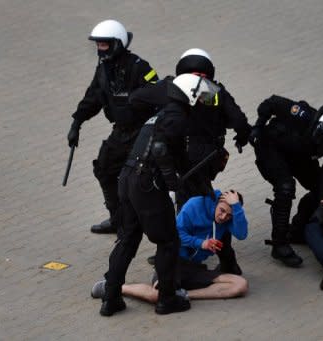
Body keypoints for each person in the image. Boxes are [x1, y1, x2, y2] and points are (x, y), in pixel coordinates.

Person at [98, 73, 220, 316]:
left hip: (129, 179)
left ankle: (111, 298)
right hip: (147, 185)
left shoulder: (160, 115)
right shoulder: (176, 116)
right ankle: (167, 299)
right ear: (190, 95)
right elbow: (161, 149)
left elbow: (180, 159)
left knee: (128, 239)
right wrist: (169, 179)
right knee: (168, 241)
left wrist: (202, 186)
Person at [130, 48, 251, 273]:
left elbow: (136, 99)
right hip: (208, 158)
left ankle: (174, 254)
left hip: (182, 154)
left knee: (185, 203)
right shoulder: (216, 91)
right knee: (205, 198)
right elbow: (240, 122)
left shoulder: (173, 87)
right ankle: (224, 260)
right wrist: (241, 138)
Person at [66, 20, 159, 234]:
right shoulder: (103, 70)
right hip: (121, 132)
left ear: (117, 43)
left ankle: (148, 222)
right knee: (104, 170)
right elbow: (92, 98)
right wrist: (76, 123)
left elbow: (158, 93)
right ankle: (118, 219)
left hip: (143, 132)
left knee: (139, 179)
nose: (100, 49)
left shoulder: (139, 67)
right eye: (97, 45)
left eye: (104, 44)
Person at [250, 96, 323, 267]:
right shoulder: (304, 115)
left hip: (301, 157)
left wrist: (322, 203)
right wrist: (258, 126)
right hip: (272, 148)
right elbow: (272, 102)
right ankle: (279, 244)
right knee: (285, 187)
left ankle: (297, 230)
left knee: (321, 189)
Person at [91, 190, 248, 302]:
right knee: (156, 296)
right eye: (222, 211)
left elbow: (242, 234)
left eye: (229, 215)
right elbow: (175, 234)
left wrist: (236, 208)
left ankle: (186, 295)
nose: (223, 217)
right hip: (172, 261)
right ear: (216, 202)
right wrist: (201, 243)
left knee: (240, 285)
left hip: (194, 267)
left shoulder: (228, 219)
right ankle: (116, 287)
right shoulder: (196, 205)